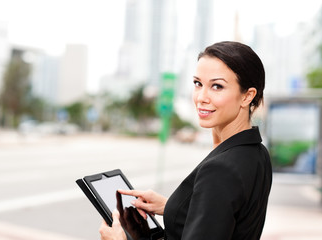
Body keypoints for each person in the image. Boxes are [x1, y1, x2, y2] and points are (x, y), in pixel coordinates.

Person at [99, 41, 273, 240]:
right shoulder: (257, 153)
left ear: (247, 96)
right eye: (198, 83)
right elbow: (229, 217)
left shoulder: (220, 169)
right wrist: (173, 208)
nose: (201, 97)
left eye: (217, 86)